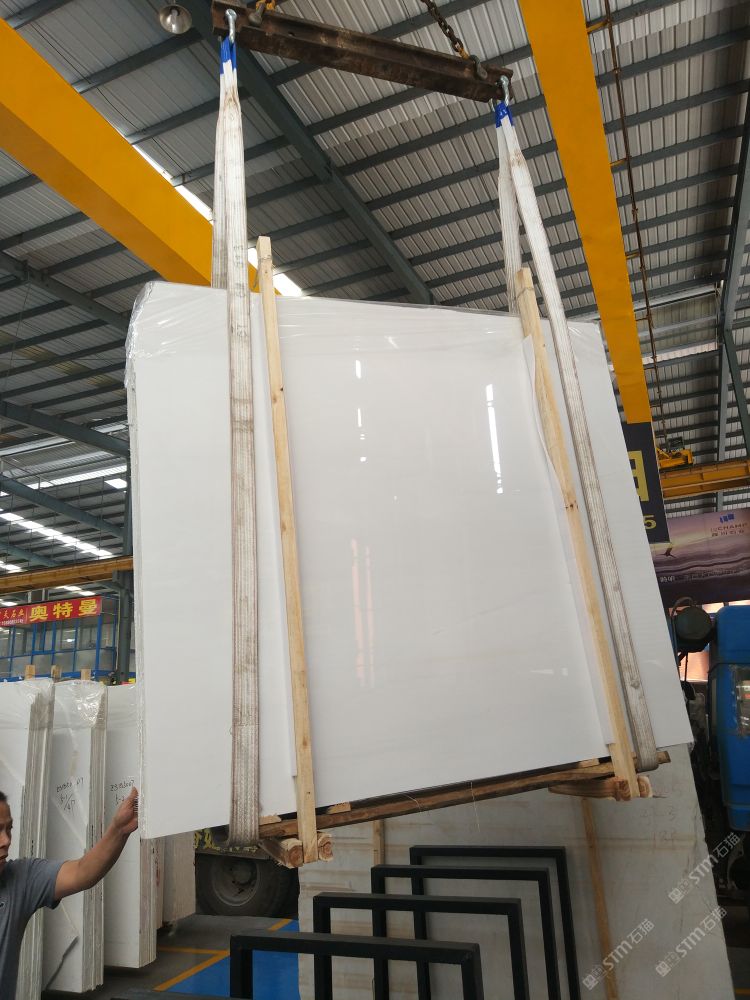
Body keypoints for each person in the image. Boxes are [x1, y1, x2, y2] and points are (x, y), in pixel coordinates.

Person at [0, 785, 138, 994]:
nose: (6, 840)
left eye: (9, 829)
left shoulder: (21, 880)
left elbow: (82, 872)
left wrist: (119, 830)